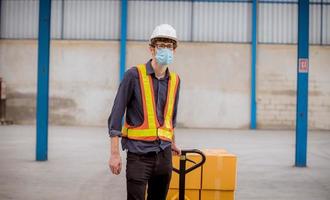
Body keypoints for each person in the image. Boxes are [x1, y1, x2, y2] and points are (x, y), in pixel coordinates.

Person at [108, 24, 181, 200]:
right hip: (139, 156)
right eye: (161, 45)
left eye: (169, 46)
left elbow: (170, 118)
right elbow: (116, 116)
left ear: (174, 50)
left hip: (164, 156)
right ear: (151, 49)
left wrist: (172, 143)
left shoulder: (175, 80)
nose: (166, 49)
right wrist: (115, 154)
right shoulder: (133, 75)